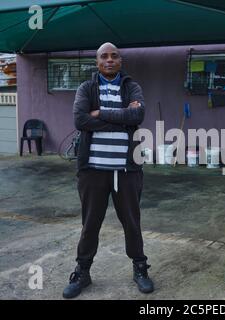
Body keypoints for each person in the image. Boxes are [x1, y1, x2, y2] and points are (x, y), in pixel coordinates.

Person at [63, 42, 153, 299]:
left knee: (132, 223)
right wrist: (120, 120)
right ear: (97, 62)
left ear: (120, 61)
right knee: (90, 224)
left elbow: (138, 116)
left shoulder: (132, 86)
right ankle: (83, 272)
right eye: (104, 56)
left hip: (127, 170)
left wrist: (101, 113)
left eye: (114, 56)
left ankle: (140, 268)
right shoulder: (87, 88)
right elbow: (80, 120)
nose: (110, 60)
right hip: (93, 170)